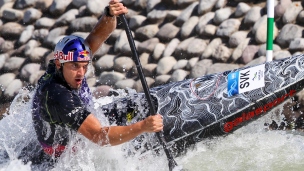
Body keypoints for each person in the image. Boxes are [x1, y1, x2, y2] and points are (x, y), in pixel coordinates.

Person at [31, 0, 163, 159]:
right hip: (68, 154)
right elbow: (99, 137)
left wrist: (109, 14)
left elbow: (97, 36)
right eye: (75, 66)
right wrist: (142, 127)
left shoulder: (66, 62)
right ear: (59, 64)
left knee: (139, 106)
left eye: (84, 66)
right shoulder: (59, 96)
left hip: (81, 128)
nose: (81, 72)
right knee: (137, 123)